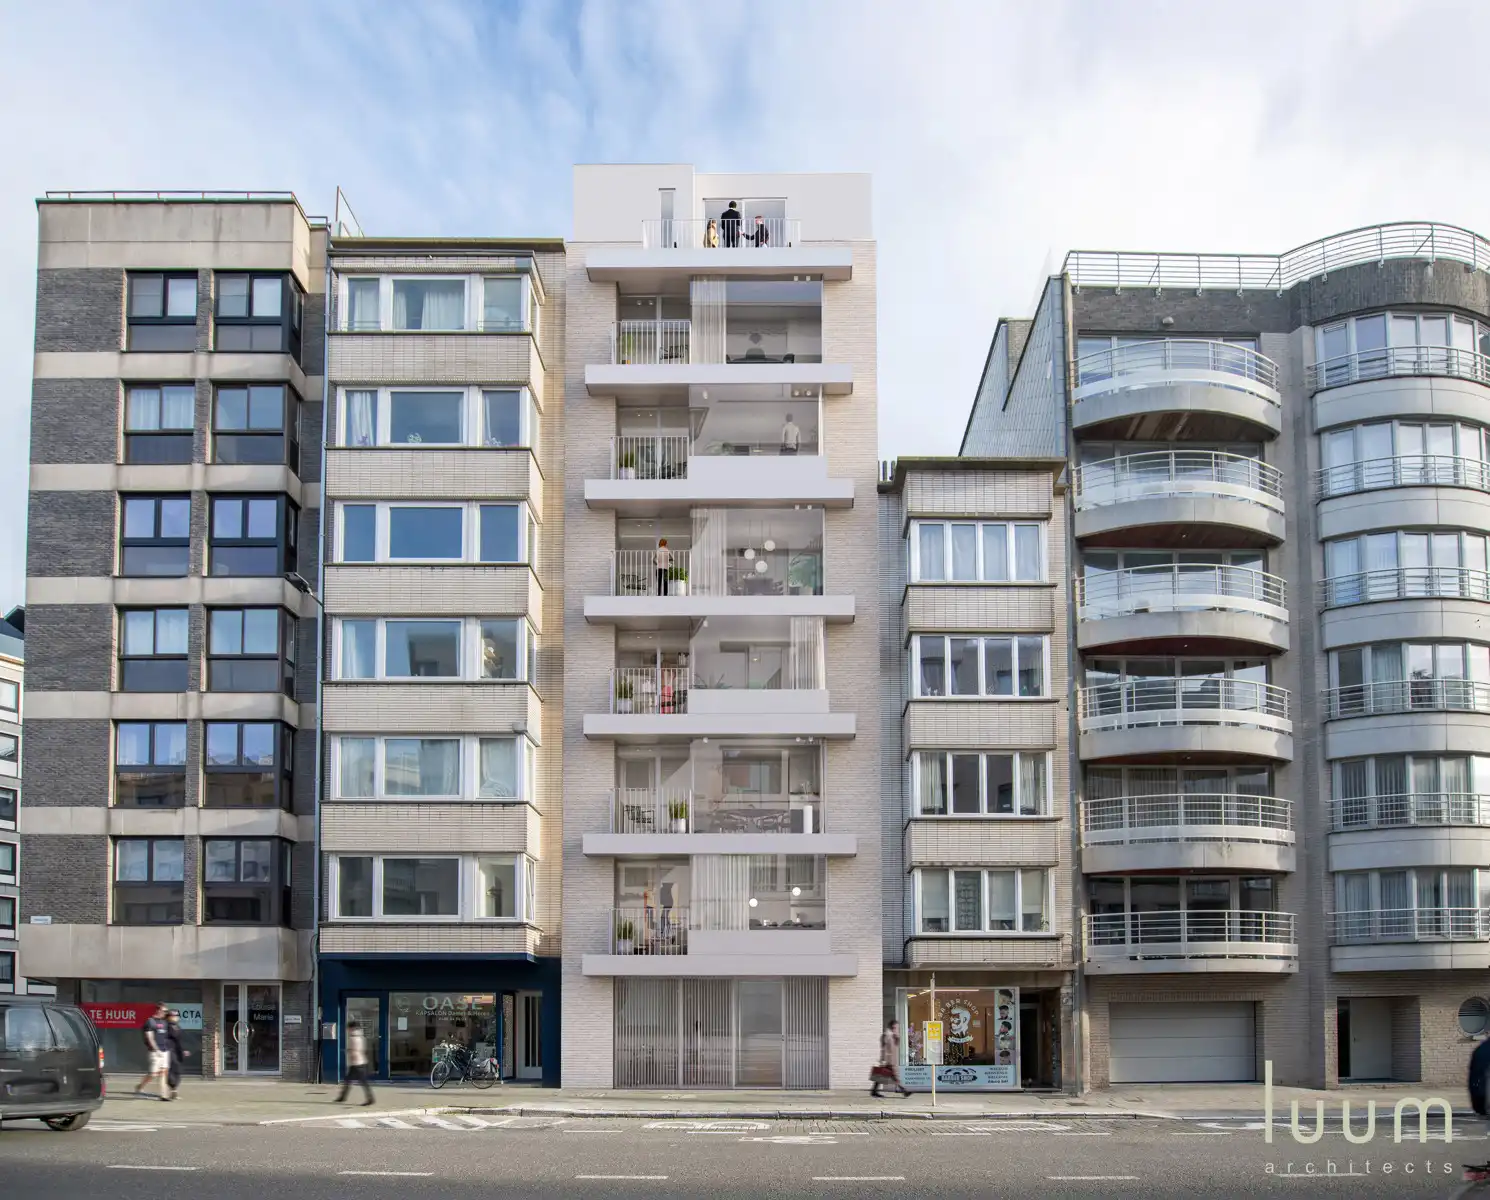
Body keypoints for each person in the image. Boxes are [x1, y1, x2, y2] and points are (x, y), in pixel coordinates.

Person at [335, 1019, 376, 1106]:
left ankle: (370, 1099)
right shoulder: (361, 1037)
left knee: (361, 1081)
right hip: (360, 1062)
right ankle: (342, 1097)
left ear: (352, 1028)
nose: (347, 1030)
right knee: (349, 1080)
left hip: (357, 1063)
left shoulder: (353, 1038)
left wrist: (350, 1053)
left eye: (348, 1028)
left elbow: (354, 1051)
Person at [135, 1003, 171, 1100]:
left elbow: (166, 1037)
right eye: (164, 1011)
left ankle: (164, 1095)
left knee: (163, 1072)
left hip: (165, 1051)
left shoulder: (164, 1022)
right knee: (153, 1074)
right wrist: (156, 1050)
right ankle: (140, 1087)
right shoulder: (150, 1022)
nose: (165, 1013)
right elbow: (150, 1038)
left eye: (166, 1011)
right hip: (155, 1052)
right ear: (158, 1010)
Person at [871, 1018, 911, 1098]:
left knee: (881, 1075)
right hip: (889, 1060)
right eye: (896, 1027)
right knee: (893, 1075)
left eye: (897, 1028)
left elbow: (896, 1045)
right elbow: (884, 1048)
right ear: (892, 1027)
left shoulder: (893, 1036)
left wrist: (896, 1036)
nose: (897, 1029)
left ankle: (874, 1091)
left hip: (891, 1060)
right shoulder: (887, 1035)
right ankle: (904, 1091)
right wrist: (884, 1059)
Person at [162, 1010, 190, 1101]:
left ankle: (174, 1089)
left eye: (177, 1016)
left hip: (177, 1051)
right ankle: (173, 1089)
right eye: (173, 1016)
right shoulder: (165, 1026)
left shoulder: (178, 1027)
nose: (175, 1017)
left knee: (178, 1070)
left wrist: (183, 1050)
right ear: (168, 1017)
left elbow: (180, 1041)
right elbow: (162, 1039)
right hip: (169, 1051)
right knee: (171, 1069)